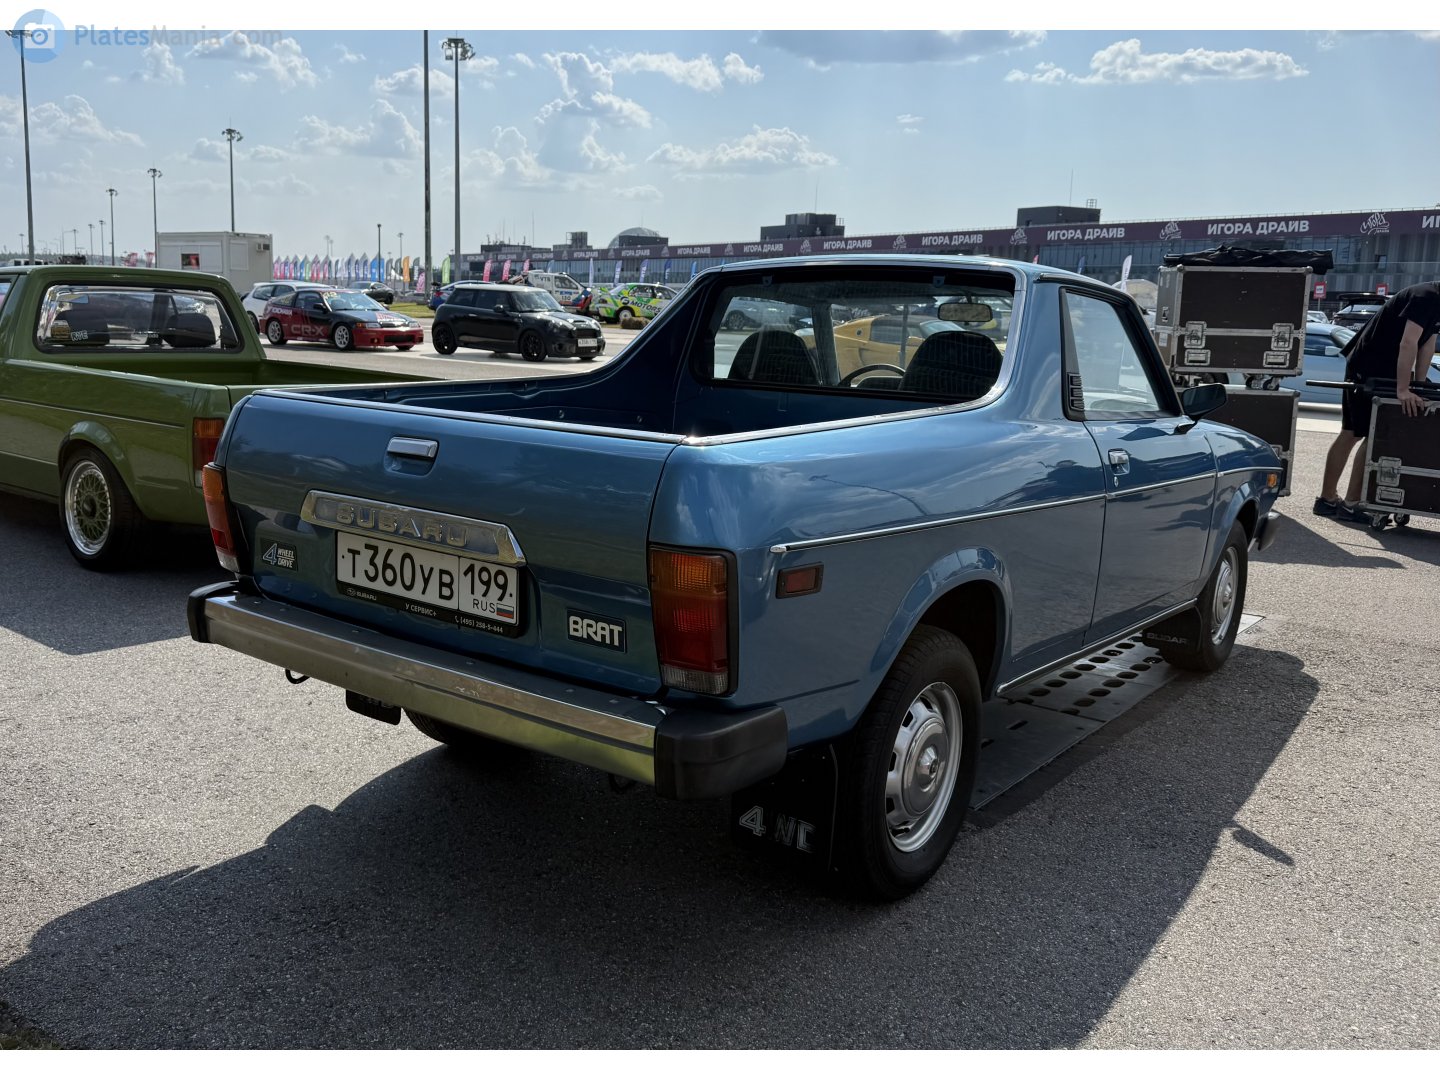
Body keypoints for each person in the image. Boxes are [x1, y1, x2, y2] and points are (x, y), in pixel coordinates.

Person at [1316, 282, 1440, 519]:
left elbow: (1427, 344)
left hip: (1382, 368)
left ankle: (1328, 500)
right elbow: (1408, 342)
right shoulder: (1425, 296)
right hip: (1371, 366)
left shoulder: (1436, 301)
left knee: (1353, 433)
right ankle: (1350, 503)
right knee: (1366, 435)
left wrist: (1419, 385)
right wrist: (1403, 389)